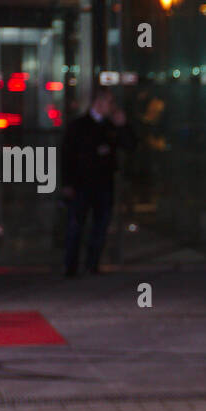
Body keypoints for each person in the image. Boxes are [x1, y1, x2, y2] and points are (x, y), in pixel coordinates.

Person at [61, 84, 136, 276]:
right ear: (99, 102)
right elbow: (67, 156)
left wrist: (123, 126)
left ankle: (92, 264)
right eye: (109, 102)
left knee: (100, 226)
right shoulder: (78, 126)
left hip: (104, 184)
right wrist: (67, 183)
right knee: (76, 225)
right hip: (82, 184)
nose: (112, 106)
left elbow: (130, 145)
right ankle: (71, 266)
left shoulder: (110, 126)